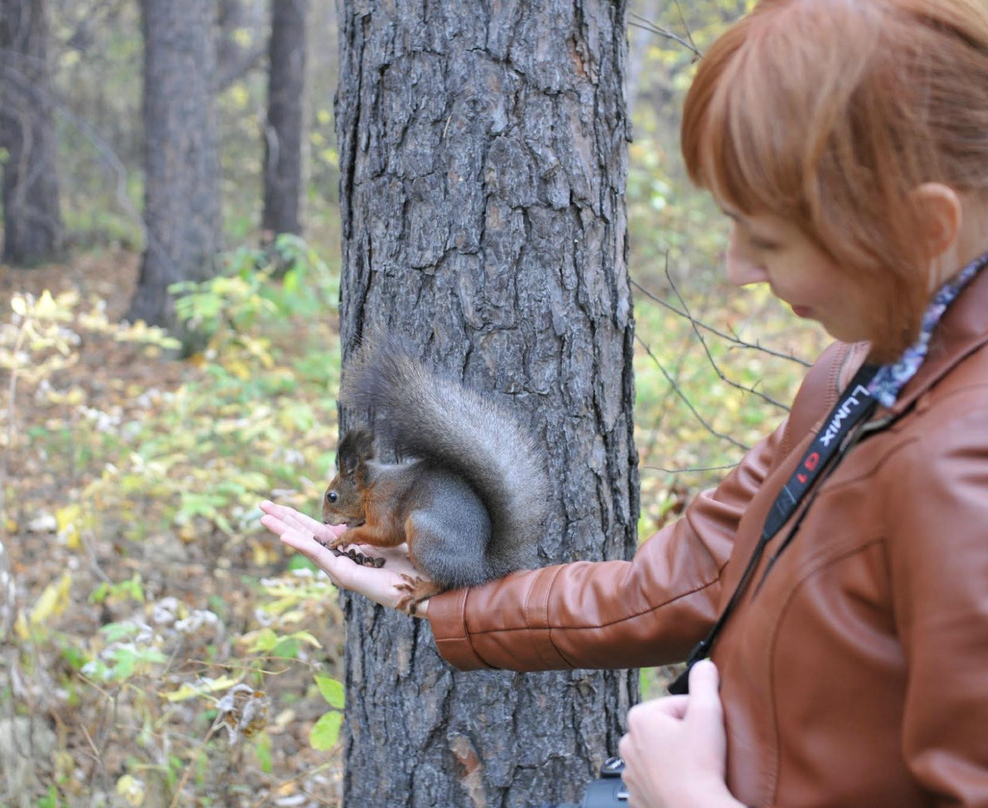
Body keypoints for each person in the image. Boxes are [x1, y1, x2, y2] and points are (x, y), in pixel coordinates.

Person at [260, 0, 988, 805]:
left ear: (923, 226)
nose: (740, 269)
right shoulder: (862, 371)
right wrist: (448, 606)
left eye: (770, 241)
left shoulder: (964, 466)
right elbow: (679, 584)